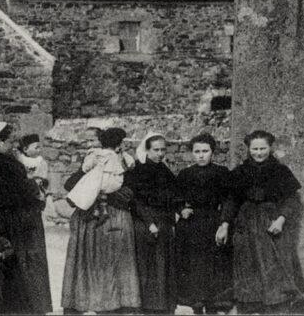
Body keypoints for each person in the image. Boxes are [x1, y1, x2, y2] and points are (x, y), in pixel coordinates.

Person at [221, 130, 304, 314]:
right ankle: (250, 308)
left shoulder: (281, 171)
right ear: (248, 149)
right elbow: (231, 201)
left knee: (275, 268)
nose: (259, 153)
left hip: (271, 224)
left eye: (263, 148)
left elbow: (292, 200)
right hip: (245, 225)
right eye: (255, 149)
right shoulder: (240, 172)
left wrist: (281, 220)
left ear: (270, 148)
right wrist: (224, 224)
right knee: (247, 268)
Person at [60, 126, 141, 314]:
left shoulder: (124, 164)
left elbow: (129, 191)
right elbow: (70, 184)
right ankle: (84, 302)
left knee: (109, 263)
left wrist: (103, 192)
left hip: (113, 218)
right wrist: (85, 172)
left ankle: (111, 304)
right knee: (89, 263)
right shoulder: (92, 162)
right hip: (90, 219)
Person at [0, 122, 53, 315]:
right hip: (14, 223)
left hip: (12, 220)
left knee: (19, 268)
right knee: (21, 267)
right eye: (10, 141)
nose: (14, 145)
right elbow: (16, 193)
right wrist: (35, 189)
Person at [173, 133, 233, 314]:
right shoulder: (185, 174)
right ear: (192, 153)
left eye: (205, 151)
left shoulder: (222, 173)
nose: (201, 155)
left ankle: (214, 305)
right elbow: (175, 197)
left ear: (212, 152)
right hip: (191, 225)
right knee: (193, 264)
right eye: (197, 151)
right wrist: (181, 209)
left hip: (213, 222)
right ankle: (196, 304)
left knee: (214, 264)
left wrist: (224, 224)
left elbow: (229, 200)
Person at [128, 132, 178, 314]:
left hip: (163, 222)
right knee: (148, 265)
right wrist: (150, 223)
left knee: (164, 263)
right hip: (145, 223)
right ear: (147, 150)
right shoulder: (138, 171)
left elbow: (173, 195)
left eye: (163, 149)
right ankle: (148, 307)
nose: (160, 153)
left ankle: (164, 306)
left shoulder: (164, 170)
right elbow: (136, 201)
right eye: (156, 150)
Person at [66, 127, 132, 219]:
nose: (89, 144)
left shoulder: (120, 159)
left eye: (92, 140)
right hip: (89, 212)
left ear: (102, 141)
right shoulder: (93, 157)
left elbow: (126, 191)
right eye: (86, 141)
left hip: (114, 213)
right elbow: (69, 184)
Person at [16, 134, 50, 198]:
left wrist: (41, 180)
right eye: (36, 148)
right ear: (25, 149)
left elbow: (43, 175)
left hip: (37, 186)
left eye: (39, 147)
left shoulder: (41, 161)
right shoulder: (20, 160)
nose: (39, 150)